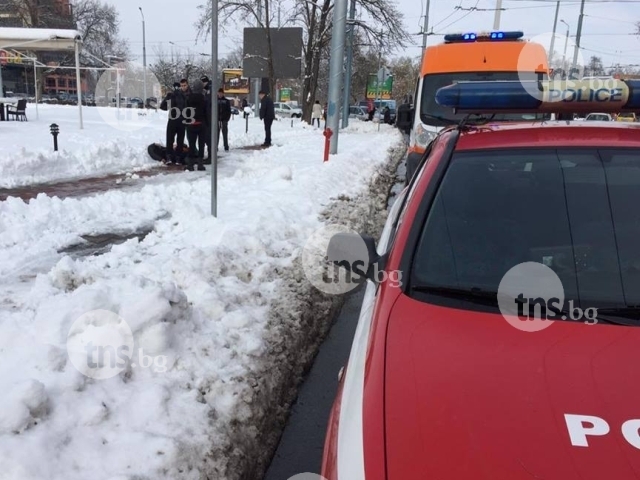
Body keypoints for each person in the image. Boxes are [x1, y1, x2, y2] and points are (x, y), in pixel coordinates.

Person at [159, 81, 187, 165]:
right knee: (180, 140)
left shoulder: (170, 96)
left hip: (172, 119)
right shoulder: (183, 96)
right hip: (181, 119)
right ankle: (178, 158)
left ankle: (169, 157)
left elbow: (162, 107)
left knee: (170, 138)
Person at [184, 80, 207, 171]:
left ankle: (190, 165)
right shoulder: (204, 99)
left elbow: (186, 111)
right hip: (202, 124)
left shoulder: (188, 98)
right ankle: (200, 164)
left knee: (192, 145)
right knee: (201, 145)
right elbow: (207, 112)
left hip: (191, 124)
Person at [201, 76, 213, 161]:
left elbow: (208, 104)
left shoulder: (210, 90)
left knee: (208, 137)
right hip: (209, 117)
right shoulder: (208, 89)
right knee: (208, 138)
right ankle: (210, 155)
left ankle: (210, 157)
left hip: (209, 118)